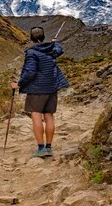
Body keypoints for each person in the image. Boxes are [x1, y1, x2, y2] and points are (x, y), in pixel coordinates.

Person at [11, 26, 69, 158]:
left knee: (36, 116)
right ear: (43, 37)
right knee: (49, 116)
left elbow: (30, 72)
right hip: (51, 88)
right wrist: (56, 42)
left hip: (37, 89)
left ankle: (41, 148)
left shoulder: (32, 53)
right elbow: (59, 50)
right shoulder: (51, 49)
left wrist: (18, 84)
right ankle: (49, 147)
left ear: (31, 38)